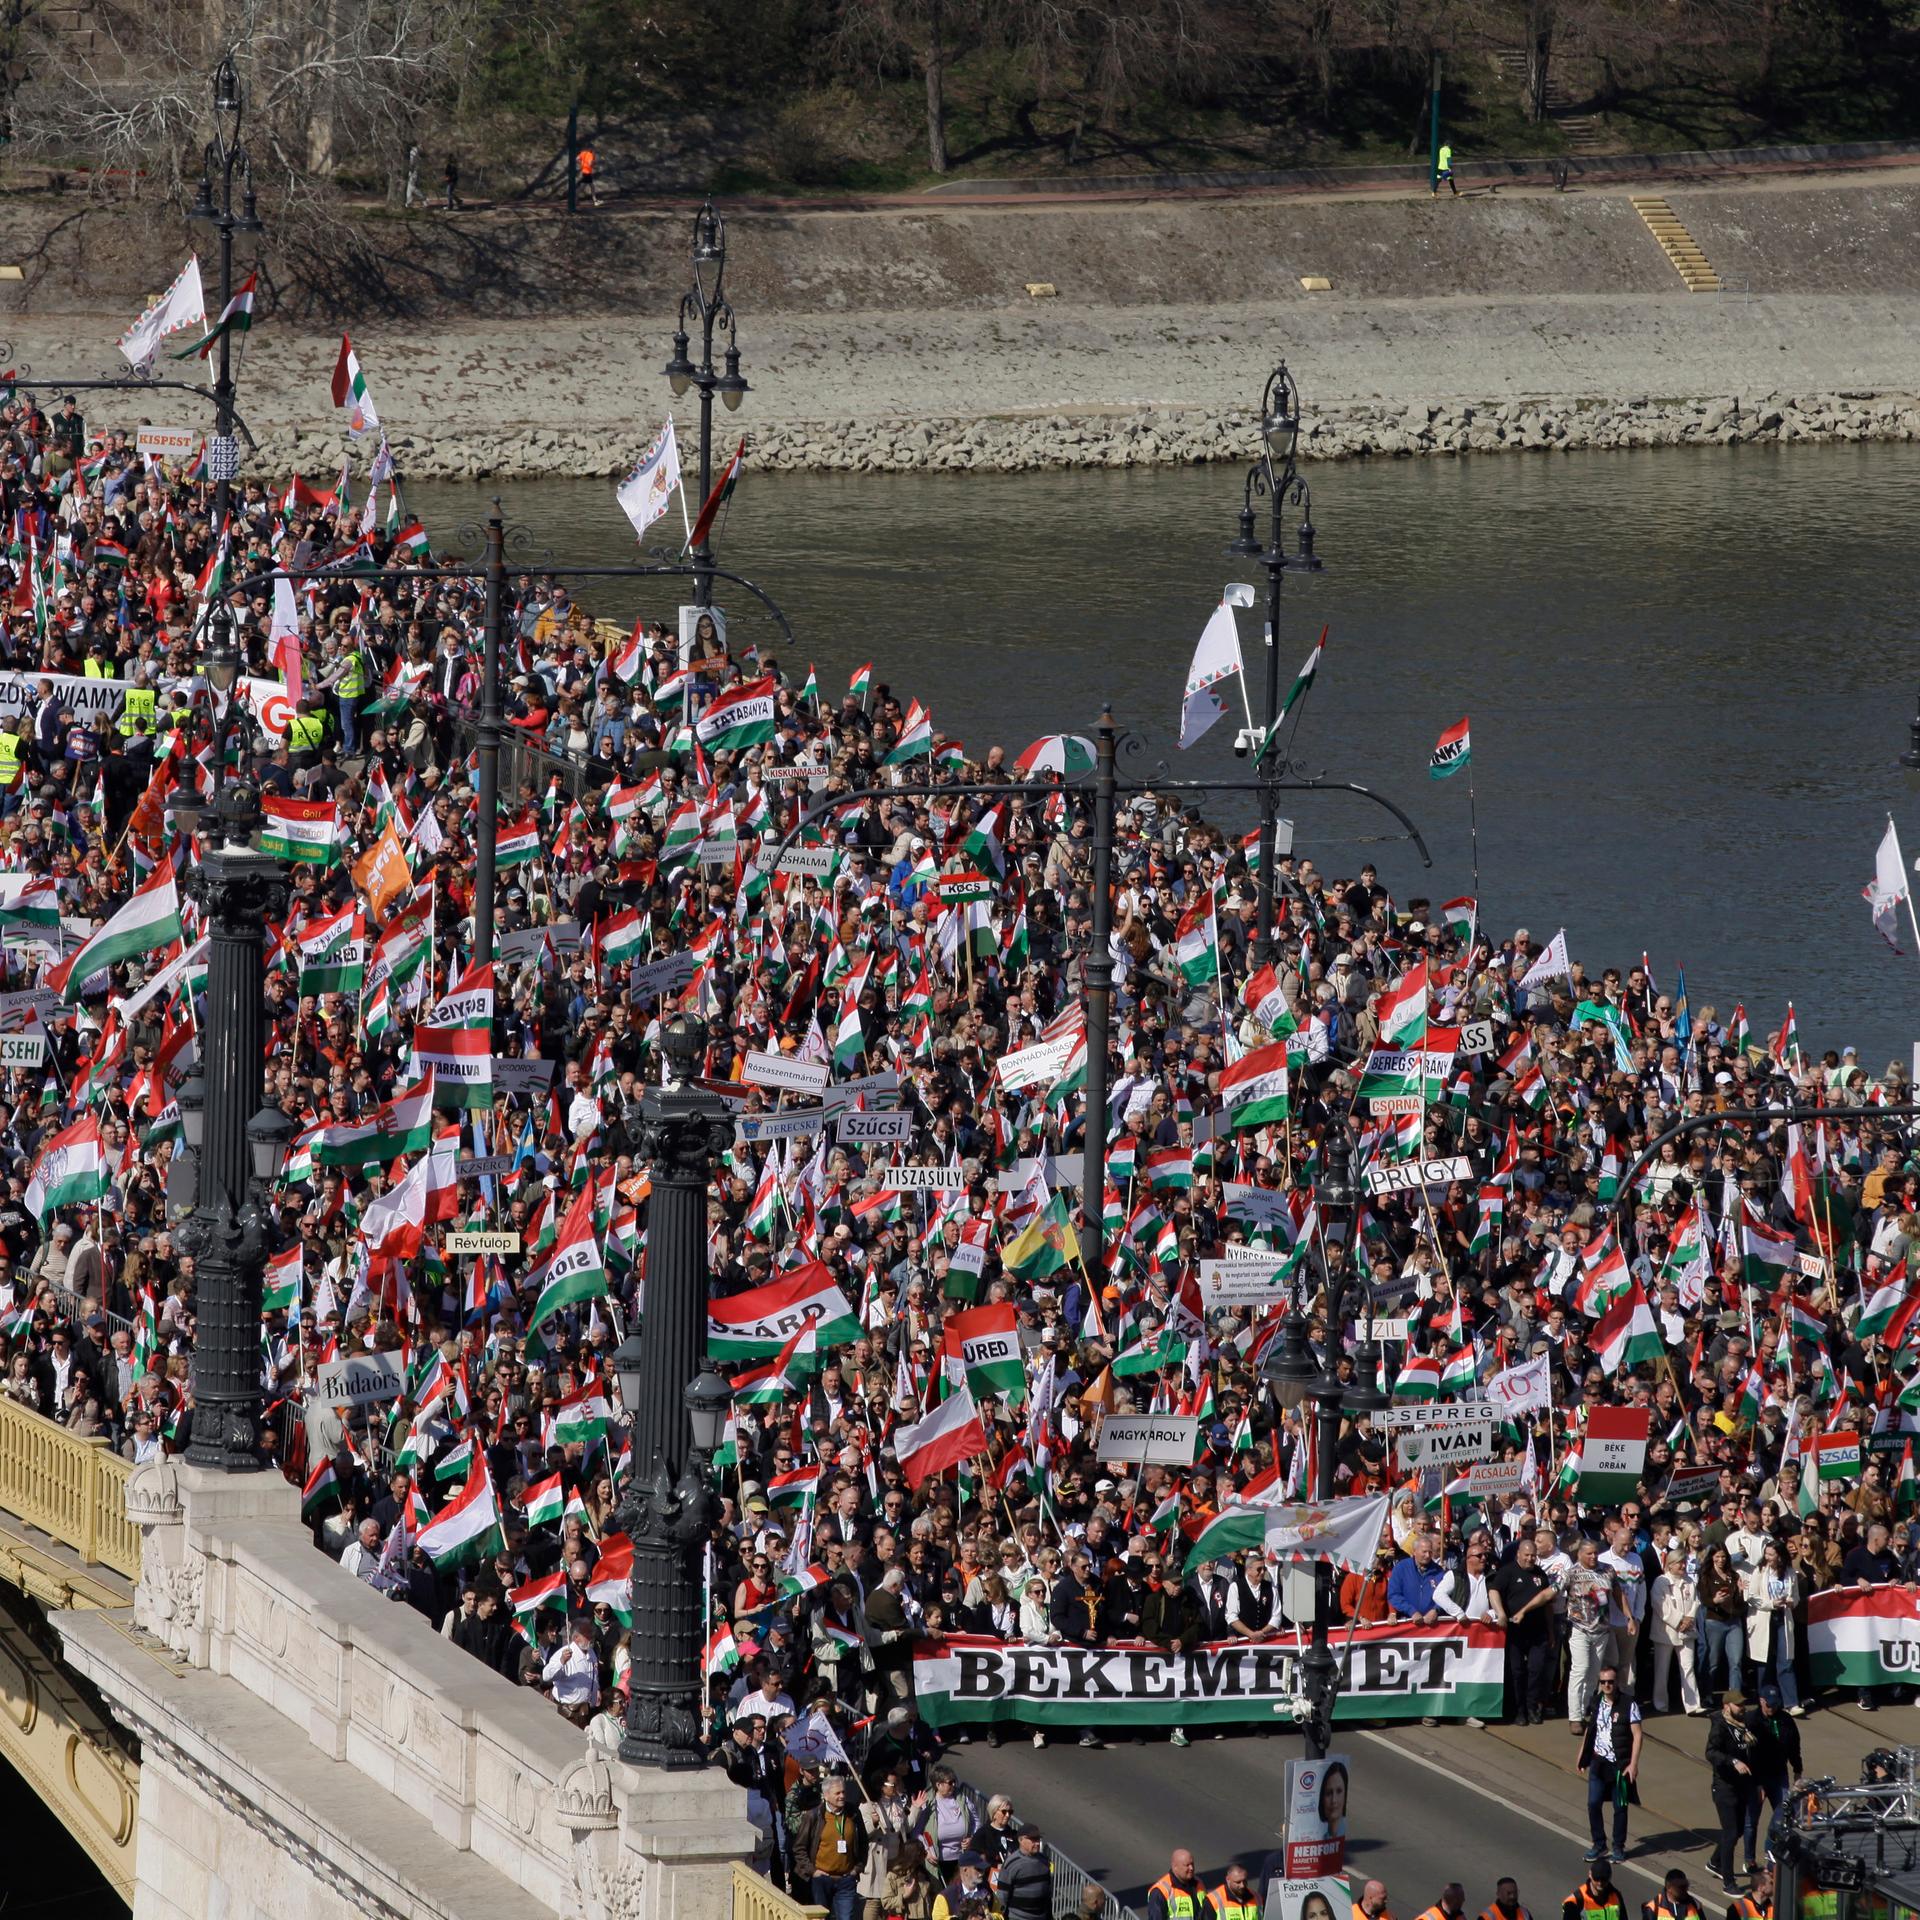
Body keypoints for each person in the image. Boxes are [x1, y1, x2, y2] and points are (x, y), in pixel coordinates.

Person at [1576, 1667, 1642, 1861]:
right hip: (1598, 1762)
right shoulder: (1596, 1702)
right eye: (1603, 1682)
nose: (1607, 1685)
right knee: (1593, 1803)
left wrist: (1633, 1764)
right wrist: (1582, 1755)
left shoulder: (1628, 1704)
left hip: (1619, 1766)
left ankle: (1618, 1847)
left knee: (1620, 1807)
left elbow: (1637, 1735)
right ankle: (1599, 1844)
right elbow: (1590, 1730)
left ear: (1617, 1682)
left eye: (1610, 1682)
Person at [1704, 1691, 1760, 1894]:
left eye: (1743, 1705)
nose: (1742, 1708)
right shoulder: (1720, 1726)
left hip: (1743, 1785)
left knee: (1738, 1831)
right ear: (1726, 1706)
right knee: (1730, 1833)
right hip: (1724, 1787)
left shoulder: (1745, 1724)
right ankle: (1728, 1882)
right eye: (1738, 1705)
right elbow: (1711, 1752)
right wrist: (1733, 1761)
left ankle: (1715, 1862)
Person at [793, 1774, 869, 1920]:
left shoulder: (853, 1813)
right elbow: (799, 1848)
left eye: (843, 1792)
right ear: (826, 1796)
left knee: (846, 1917)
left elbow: (863, 1843)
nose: (842, 1796)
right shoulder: (814, 1816)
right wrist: (813, 1871)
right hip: (821, 1879)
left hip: (846, 1879)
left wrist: (857, 1869)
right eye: (837, 1793)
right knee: (821, 1917)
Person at [997, 1827, 1052, 1920]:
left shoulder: (1044, 1861)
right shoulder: (1011, 1863)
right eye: (1033, 1840)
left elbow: (1047, 1892)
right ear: (1021, 1840)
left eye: (1038, 1839)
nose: (1037, 1843)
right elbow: (1002, 1895)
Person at [1148, 1849, 1209, 1920]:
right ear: (1175, 1867)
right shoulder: (1160, 1891)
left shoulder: (1199, 1884)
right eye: (1187, 1865)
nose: (1191, 1868)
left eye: (1192, 1864)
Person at [1561, 1856, 1626, 1920]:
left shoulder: (1616, 1896)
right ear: (1590, 1874)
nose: (1600, 1883)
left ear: (1610, 1877)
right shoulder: (1575, 1902)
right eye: (1596, 1878)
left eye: (1604, 1879)